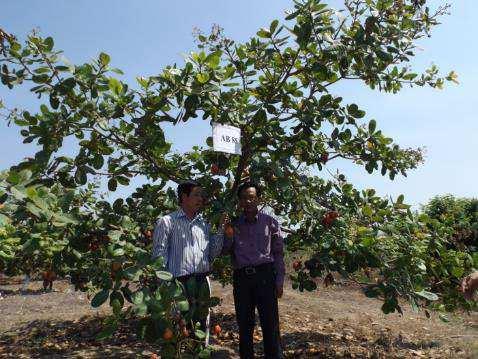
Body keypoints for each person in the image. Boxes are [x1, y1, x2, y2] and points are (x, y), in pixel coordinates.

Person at [152, 180, 226, 344]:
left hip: (201, 283)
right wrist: (166, 288)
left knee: (200, 330)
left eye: (202, 195)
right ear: (184, 197)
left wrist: (221, 228)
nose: (201, 199)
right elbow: (158, 257)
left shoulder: (204, 224)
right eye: (196, 195)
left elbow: (212, 254)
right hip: (178, 284)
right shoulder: (167, 222)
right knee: (179, 329)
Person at [223, 182, 285, 359]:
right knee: (244, 325)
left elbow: (278, 253)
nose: (248, 201)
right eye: (244, 198)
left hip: (265, 277)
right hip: (242, 279)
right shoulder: (233, 224)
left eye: (251, 197)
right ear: (239, 202)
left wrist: (279, 281)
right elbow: (225, 250)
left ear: (258, 199)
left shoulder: (270, 222)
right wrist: (226, 234)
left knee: (270, 325)